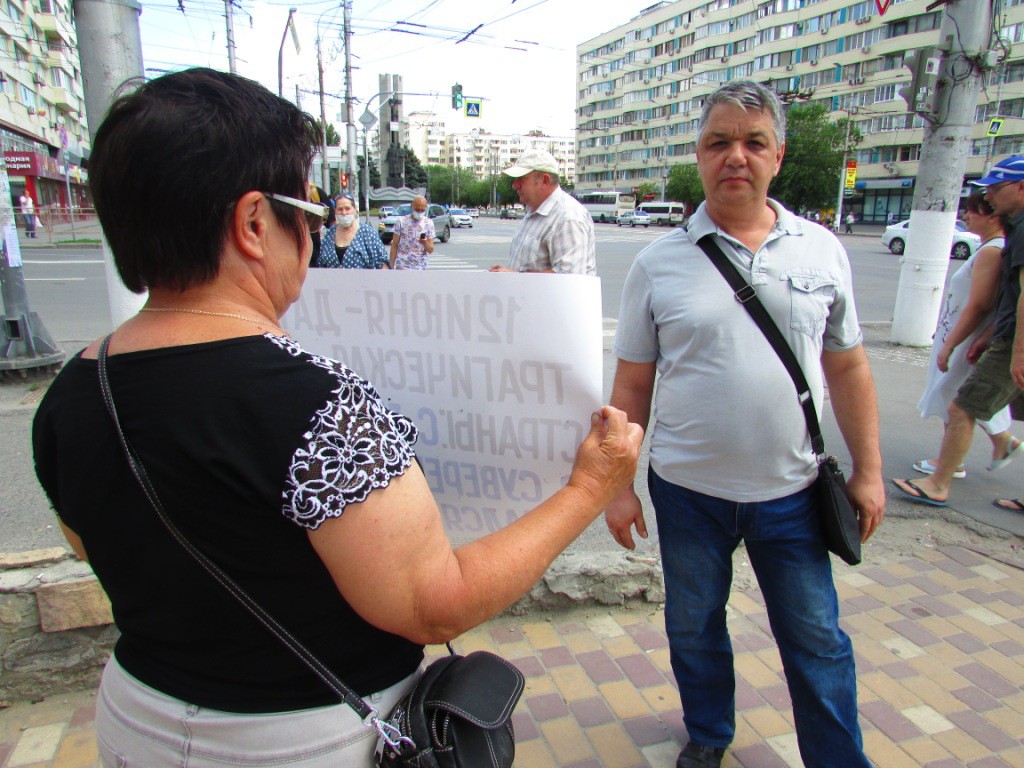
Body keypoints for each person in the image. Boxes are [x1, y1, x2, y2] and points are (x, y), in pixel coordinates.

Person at [31, 68, 643, 768]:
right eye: (311, 206)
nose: (319, 226)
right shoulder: (317, 404)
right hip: (303, 740)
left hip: (135, 717)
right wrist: (588, 488)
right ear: (255, 222)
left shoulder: (73, 390)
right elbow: (435, 602)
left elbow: (91, 546)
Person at [606, 80, 885, 768]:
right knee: (694, 627)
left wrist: (871, 472)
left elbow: (847, 368)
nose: (736, 156)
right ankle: (708, 734)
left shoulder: (821, 250)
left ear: (778, 156)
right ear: (699, 157)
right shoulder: (658, 262)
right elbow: (633, 384)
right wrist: (616, 485)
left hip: (792, 495)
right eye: (718, 142)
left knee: (817, 639)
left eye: (753, 142)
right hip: (687, 492)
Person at [893, 155, 1024, 510]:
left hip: (1007, 342)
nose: (990, 198)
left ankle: (939, 483)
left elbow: (996, 301)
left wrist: (1015, 349)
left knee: (963, 406)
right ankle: (993, 449)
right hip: (1000, 337)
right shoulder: (1011, 234)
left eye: (995, 190)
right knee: (970, 404)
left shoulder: (1013, 236)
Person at [913, 191, 1021, 480]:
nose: (966, 216)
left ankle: (948, 467)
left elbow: (979, 305)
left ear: (992, 216)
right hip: (965, 335)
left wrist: (950, 345)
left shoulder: (991, 251)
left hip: (966, 338)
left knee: (956, 396)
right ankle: (1002, 443)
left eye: (973, 211)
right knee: (961, 395)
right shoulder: (991, 248)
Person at [489, 149, 596, 275]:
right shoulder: (535, 211)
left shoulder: (567, 217)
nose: (515, 185)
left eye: (522, 179)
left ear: (544, 180)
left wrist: (514, 276)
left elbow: (569, 279)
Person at [316, 193, 388, 269]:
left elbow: (383, 264)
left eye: (347, 208)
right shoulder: (329, 234)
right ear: (335, 211)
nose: (344, 213)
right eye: (340, 209)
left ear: (354, 209)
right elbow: (321, 263)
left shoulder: (368, 234)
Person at [389, 195, 433, 270]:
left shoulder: (428, 223)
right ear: (412, 206)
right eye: (417, 209)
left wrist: (425, 243)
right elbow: (394, 245)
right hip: (403, 266)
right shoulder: (401, 221)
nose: (419, 212)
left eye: (422, 210)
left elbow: (430, 250)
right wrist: (391, 266)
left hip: (421, 267)